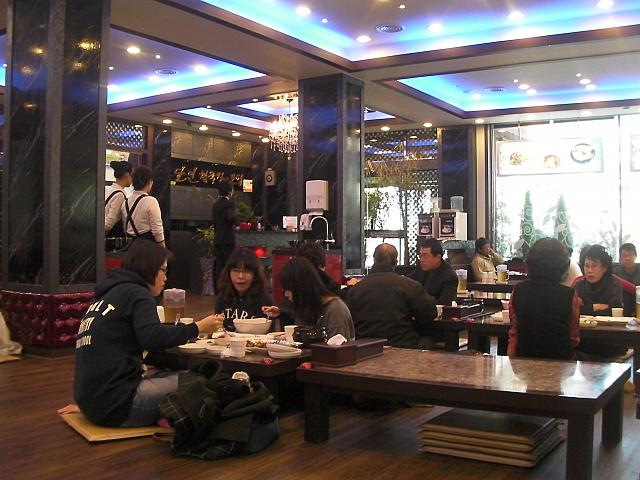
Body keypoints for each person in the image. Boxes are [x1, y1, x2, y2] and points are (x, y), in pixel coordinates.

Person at [71, 240, 222, 427]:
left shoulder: (108, 295)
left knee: (171, 374)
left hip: (90, 402)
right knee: (198, 381)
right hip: (117, 405)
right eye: (163, 270)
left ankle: (166, 415)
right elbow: (152, 337)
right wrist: (198, 327)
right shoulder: (138, 293)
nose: (165, 278)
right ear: (148, 268)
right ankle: (170, 417)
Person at [347, 243, 437, 349]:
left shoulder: (355, 290)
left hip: (365, 349)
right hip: (403, 345)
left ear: (374, 260)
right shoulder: (409, 286)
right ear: (396, 263)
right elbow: (429, 313)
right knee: (429, 340)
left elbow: (351, 321)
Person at [507, 238, 580, 360]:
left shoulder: (519, 290)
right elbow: (574, 337)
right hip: (561, 362)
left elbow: (515, 328)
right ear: (562, 266)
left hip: (523, 360)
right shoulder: (569, 294)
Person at [264, 257, 354, 340]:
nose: (286, 294)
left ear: (302, 287)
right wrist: (281, 313)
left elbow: (339, 349)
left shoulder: (335, 310)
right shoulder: (306, 308)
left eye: (288, 289)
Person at [574, 245, 626, 358]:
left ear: (605, 268)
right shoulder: (580, 285)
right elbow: (575, 311)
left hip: (611, 338)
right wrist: (596, 307)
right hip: (585, 337)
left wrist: (587, 308)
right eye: (586, 266)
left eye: (594, 266)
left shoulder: (614, 283)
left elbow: (614, 311)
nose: (589, 270)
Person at [214, 248, 274, 331]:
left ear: (255, 274)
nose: (240, 276)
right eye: (236, 271)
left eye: (246, 271)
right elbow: (217, 330)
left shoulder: (265, 300)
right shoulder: (222, 297)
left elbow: (270, 334)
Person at [122, 165, 165, 246]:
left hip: (131, 247)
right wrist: (162, 248)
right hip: (147, 247)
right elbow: (157, 231)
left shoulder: (126, 202)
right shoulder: (151, 201)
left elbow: (125, 228)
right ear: (149, 181)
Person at [407, 238, 458, 305]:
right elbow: (407, 281)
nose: (422, 260)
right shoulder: (420, 269)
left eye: (425, 256)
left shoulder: (449, 277)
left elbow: (444, 302)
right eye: (420, 256)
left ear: (438, 257)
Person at [212, 179, 238, 291]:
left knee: (219, 266)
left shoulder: (215, 205)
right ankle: (229, 290)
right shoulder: (229, 203)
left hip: (218, 239)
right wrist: (238, 223)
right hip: (228, 240)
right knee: (230, 265)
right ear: (229, 191)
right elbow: (230, 217)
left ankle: (219, 289)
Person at [104, 160, 132, 238]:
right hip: (108, 237)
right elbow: (109, 224)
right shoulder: (120, 195)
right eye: (131, 175)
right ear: (127, 175)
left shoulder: (109, 189)